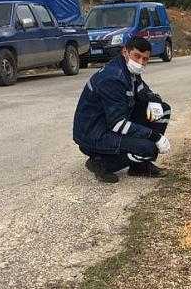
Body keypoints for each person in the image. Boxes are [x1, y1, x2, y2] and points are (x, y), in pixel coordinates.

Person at [73, 36, 171, 183]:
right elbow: (117, 123)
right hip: (95, 134)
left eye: (145, 59)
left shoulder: (129, 71)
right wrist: (154, 136)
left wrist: (154, 100)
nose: (140, 62)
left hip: (108, 124)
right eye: (137, 56)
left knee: (162, 110)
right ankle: (102, 163)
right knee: (148, 149)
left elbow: (143, 91)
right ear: (125, 51)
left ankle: (139, 166)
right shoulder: (113, 78)